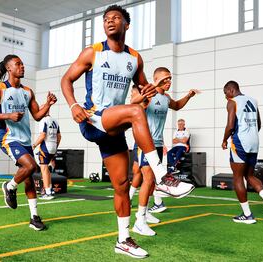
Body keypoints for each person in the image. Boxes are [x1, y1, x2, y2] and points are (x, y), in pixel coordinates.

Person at [60, 5, 194, 258]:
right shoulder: (93, 52)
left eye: (116, 18)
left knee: (121, 186)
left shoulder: (134, 58)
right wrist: (74, 105)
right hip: (93, 119)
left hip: (115, 127)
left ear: (126, 25)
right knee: (134, 113)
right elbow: (66, 80)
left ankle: (124, 239)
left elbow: (144, 90)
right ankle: (163, 176)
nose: (110, 22)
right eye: (106, 19)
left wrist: (149, 91)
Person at [0, 54, 57, 231]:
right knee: (31, 166)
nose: (22, 67)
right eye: (18, 64)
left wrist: (48, 104)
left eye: (23, 64)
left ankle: (34, 217)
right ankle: (9, 186)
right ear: (9, 68)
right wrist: (8, 115)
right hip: (8, 138)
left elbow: (38, 115)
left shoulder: (27, 92)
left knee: (29, 178)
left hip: (25, 140)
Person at [129, 67, 199, 235]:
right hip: (145, 144)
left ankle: (144, 213)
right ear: (156, 78)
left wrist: (188, 96)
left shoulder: (166, 98)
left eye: (170, 79)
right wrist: (152, 87)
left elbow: (176, 105)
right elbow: (132, 103)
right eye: (165, 79)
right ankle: (140, 220)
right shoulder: (148, 93)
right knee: (147, 179)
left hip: (158, 144)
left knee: (151, 181)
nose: (169, 82)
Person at [221, 80, 263, 224]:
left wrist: (224, 140)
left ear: (231, 90)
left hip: (240, 142)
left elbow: (230, 125)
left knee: (238, 177)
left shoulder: (232, 102)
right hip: (254, 141)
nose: (225, 97)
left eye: (225, 93)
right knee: (249, 175)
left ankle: (247, 215)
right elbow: (258, 123)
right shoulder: (253, 100)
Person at [32, 106, 61, 200]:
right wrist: (55, 147)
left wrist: (34, 145)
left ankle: (48, 192)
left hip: (45, 147)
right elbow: (59, 136)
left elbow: (43, 135)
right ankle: (50, 189)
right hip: (53, 146)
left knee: (43, 169)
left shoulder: (43, 121)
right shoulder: (55, 121)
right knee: (46, 169)